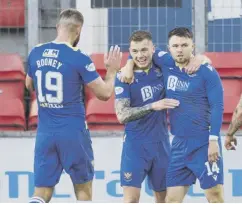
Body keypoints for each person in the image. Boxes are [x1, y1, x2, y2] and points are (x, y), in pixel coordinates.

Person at [25, 8, 122, 203]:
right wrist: (112, 71)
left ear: (57, 26)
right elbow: (104, 94)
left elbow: (29, 85)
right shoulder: (79, 57)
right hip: (73, 133)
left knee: (41, 192)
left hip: (45, 133)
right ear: (78, 30)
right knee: (83, 190)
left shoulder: (36, 52)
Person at [122, 27, 224, 203]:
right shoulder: (166, 62)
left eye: (184, 45)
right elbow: (140, 52)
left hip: (204, 142)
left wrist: (213, 140)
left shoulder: (207, 72)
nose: (179, 49)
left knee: (214, 196)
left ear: (192, 46)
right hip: (178, 145)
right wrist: (128, 64)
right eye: (175, 45)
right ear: (168, 48)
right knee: (171, 200)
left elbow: (218, 106)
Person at [115, 30, 180, 203]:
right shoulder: (123, 77)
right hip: (135, 146)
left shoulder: (162, 70)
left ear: (153, 49)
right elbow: (122, 115)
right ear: (129, 51)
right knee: (131, 200)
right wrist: (152, 106)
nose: (140, 55)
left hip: (161, 145)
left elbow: (184, 59)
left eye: (144, 50)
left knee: (164, 199)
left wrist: (201, 59)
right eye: (134, 51)